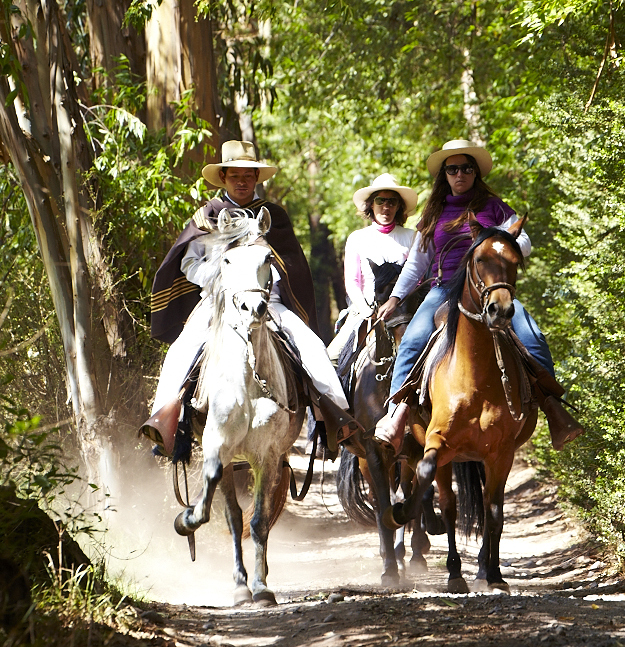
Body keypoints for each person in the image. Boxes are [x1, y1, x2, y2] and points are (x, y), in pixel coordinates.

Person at [140, 138, 363, 456]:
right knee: (182, 349)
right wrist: (218, 279)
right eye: (235, 176)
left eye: (248, 175)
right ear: (224, 178)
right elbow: (188, 262)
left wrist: (260, 283)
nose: (242, 181)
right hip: (218, 304)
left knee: (312, 348)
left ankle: (337, 420)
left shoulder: (273, 216)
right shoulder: (208, 215)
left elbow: (290, 267)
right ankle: (165, 421)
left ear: (256, 178)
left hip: (269, 303)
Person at [373, 138, 584, 454]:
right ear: (444, 175)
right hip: (443, 290)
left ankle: (554, 410)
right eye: (453, 169)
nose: (460, 174)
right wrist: (396, 298)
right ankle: (397, 415)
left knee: (534, 337)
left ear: (475, 173)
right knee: (413, 342)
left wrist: (495, 242)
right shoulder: (433, 213)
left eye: (466, 168)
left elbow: (522, 240)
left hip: (490, 289)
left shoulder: (495, 206)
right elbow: (417, 262)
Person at [328, 172, 418, 363]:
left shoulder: (412, 237)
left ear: (399, 206)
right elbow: (352, 283)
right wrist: (367, 311)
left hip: (405, 310)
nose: (386, 207)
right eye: (380, 200)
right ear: (371, 204)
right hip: (364, 310)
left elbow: (417, 278)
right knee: (331, 359)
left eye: (392, 202)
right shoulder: (357, 238)